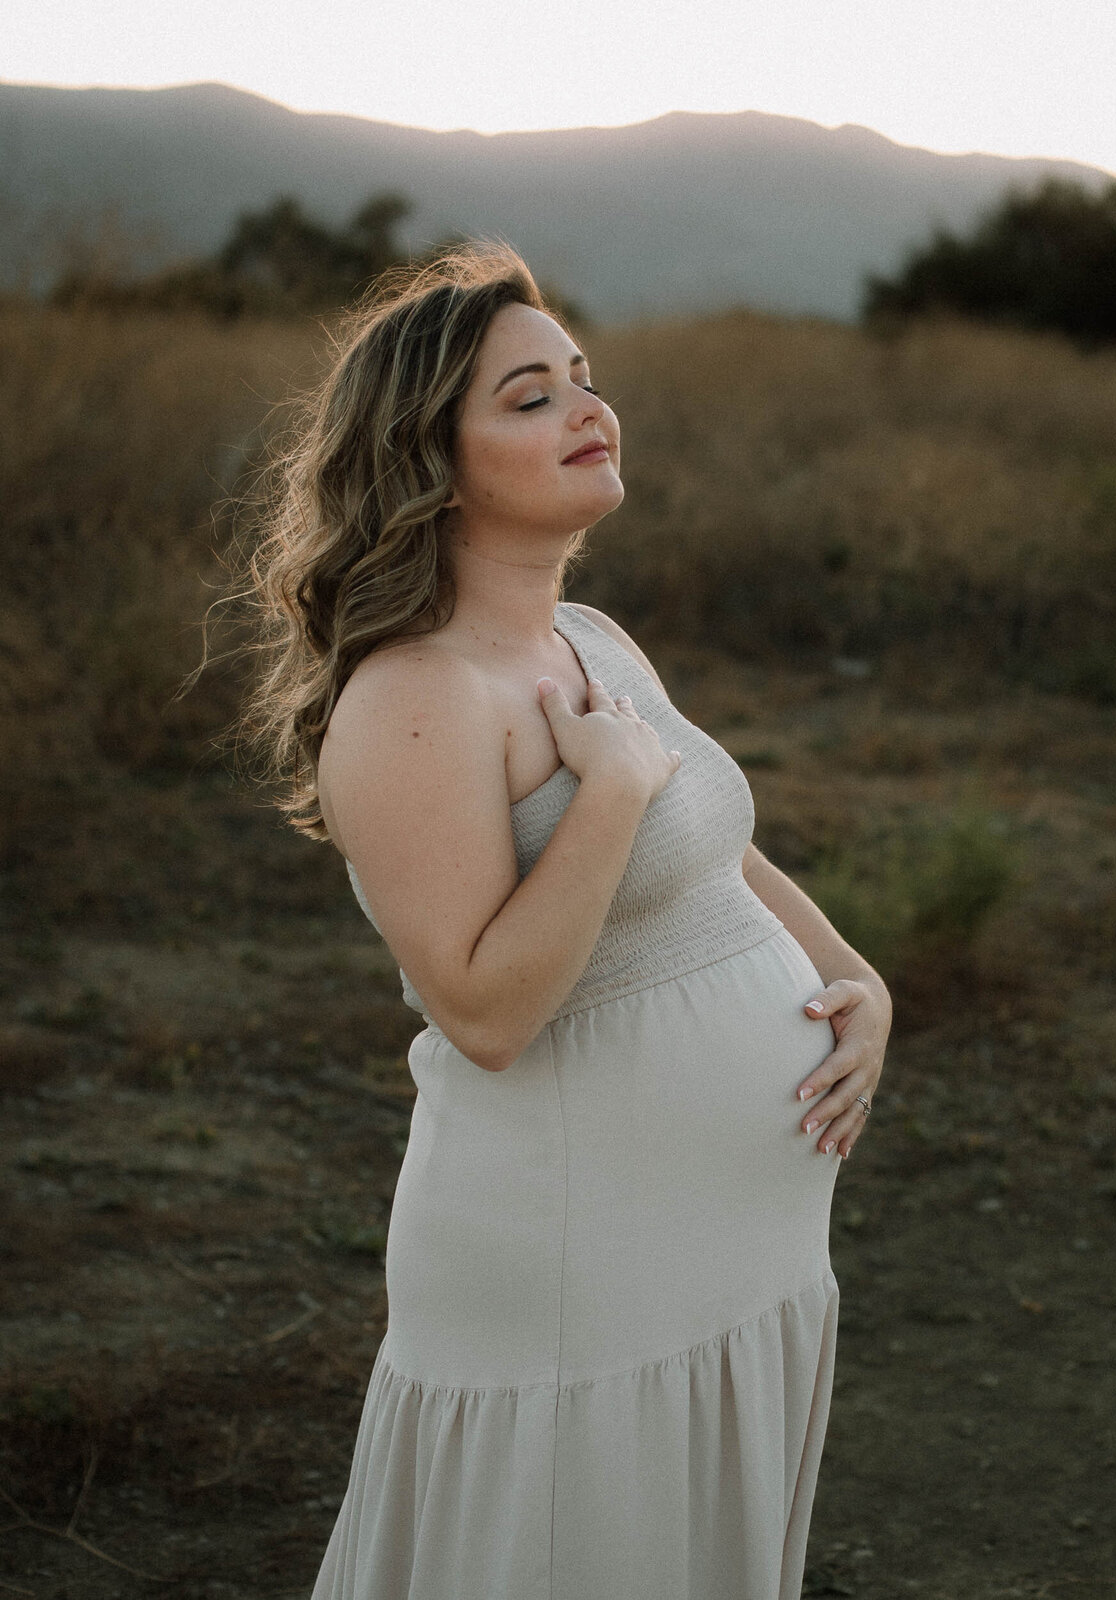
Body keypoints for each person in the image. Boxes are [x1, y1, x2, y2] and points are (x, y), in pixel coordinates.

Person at [243, 242, 891, 1600]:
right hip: (579, 1274)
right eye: (529, 397)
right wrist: (601, 798)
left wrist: (851, 976)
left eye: (583, 379)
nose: (589, 409)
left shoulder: (591, 636)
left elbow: (709, 842)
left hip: (726, 1261)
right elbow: (484, 1010)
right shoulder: (414, 696)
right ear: (432, 460)